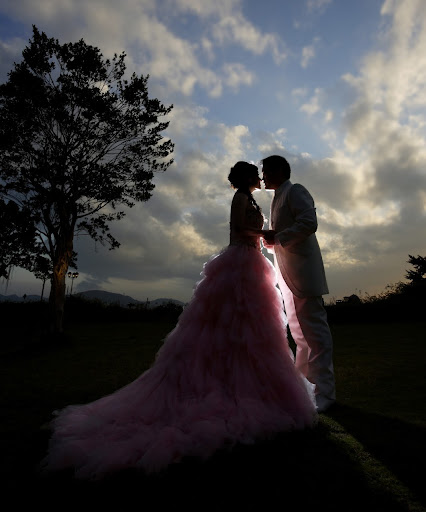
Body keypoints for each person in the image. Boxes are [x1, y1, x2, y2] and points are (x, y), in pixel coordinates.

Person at [41, 161, 316, 480]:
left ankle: (245, 379)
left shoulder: (251, 198)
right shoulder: (240, 199)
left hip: (252, 261)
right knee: (232, 324)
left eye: (260, 173)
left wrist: (265, 236)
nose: (259, 177)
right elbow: (238, 229)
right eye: (254, 173)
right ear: (244, 178)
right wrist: (266, 233)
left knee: (250, 330)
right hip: (241, 264)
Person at [261, 155, 335, 413]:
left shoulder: (296, 191)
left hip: (304, 271)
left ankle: (325, 394)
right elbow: (280, 238)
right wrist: (271, 240)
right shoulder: (276, 197)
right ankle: (304, 389)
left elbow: (308, 223)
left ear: (280, 170)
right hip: (288, 273)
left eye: (266, 171)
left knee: (316, 334)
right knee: (300, 334)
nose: (263, 176)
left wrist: (277, 236)